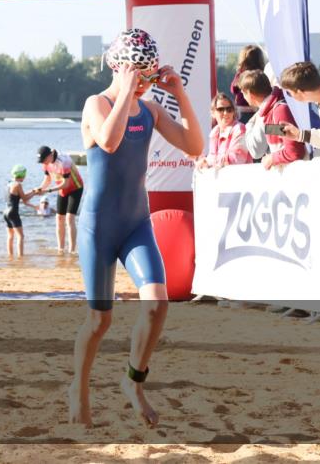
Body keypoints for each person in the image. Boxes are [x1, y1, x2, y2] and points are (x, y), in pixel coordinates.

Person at [71, 28, 204, 429]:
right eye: (140, 74)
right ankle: (78, 389)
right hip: (98, 225)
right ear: (122, 69)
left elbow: (195, 147)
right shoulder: (97, 104)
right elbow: (108, 142)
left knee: (157, 304)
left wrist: (179, 94)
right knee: (99, 321)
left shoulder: (150, 111)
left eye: (149, 76)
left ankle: (133, 381)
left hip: (134, 224)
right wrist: (126, 91)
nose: (147, 83)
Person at [237, 69, 306, 169]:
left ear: (250, 94)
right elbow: (280, 142)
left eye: (243, 93)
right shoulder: (272, 111)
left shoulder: (278, 111)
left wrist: (272, 158)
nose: (244, 97)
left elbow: (294, 151)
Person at [35, 146, 84, 254]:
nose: (44, 163)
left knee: (69, 218)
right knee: (59, 218)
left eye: (44, 160)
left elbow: (65, 184)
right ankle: (60, 248)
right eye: (42, 161)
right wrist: (40, 188)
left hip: (75, 188)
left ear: (50, 155)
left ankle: (72, 250)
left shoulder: (64, 161)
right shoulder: (46, 163)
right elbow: (47, 180)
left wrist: (47, 191)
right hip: (62, 189)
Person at [195, 93, 251, 170]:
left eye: (229, 109)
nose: (225, 113)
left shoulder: (240, 129)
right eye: (220, 109)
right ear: (213, 113)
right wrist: (205, 162)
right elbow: (211, 157)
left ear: (234, 112)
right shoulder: (214, 133)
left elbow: (237, 159)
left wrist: (209, 162)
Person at [3, 164, 38, 257]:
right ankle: (20, 257)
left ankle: (10, 256)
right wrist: (34, 192)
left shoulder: (9, 183)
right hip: (13, 212)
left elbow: (18, 198)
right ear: (22, 175)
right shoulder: (18, 185)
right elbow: (25, 199)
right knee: (20, 236)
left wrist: (33, 196)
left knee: (10, 236)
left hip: (6, 212)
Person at [230, 45, 266, 123]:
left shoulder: (241, 74)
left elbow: (233, 89)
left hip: (243, 111)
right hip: (258, 109)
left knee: (244, 131)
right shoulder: (262, 74)